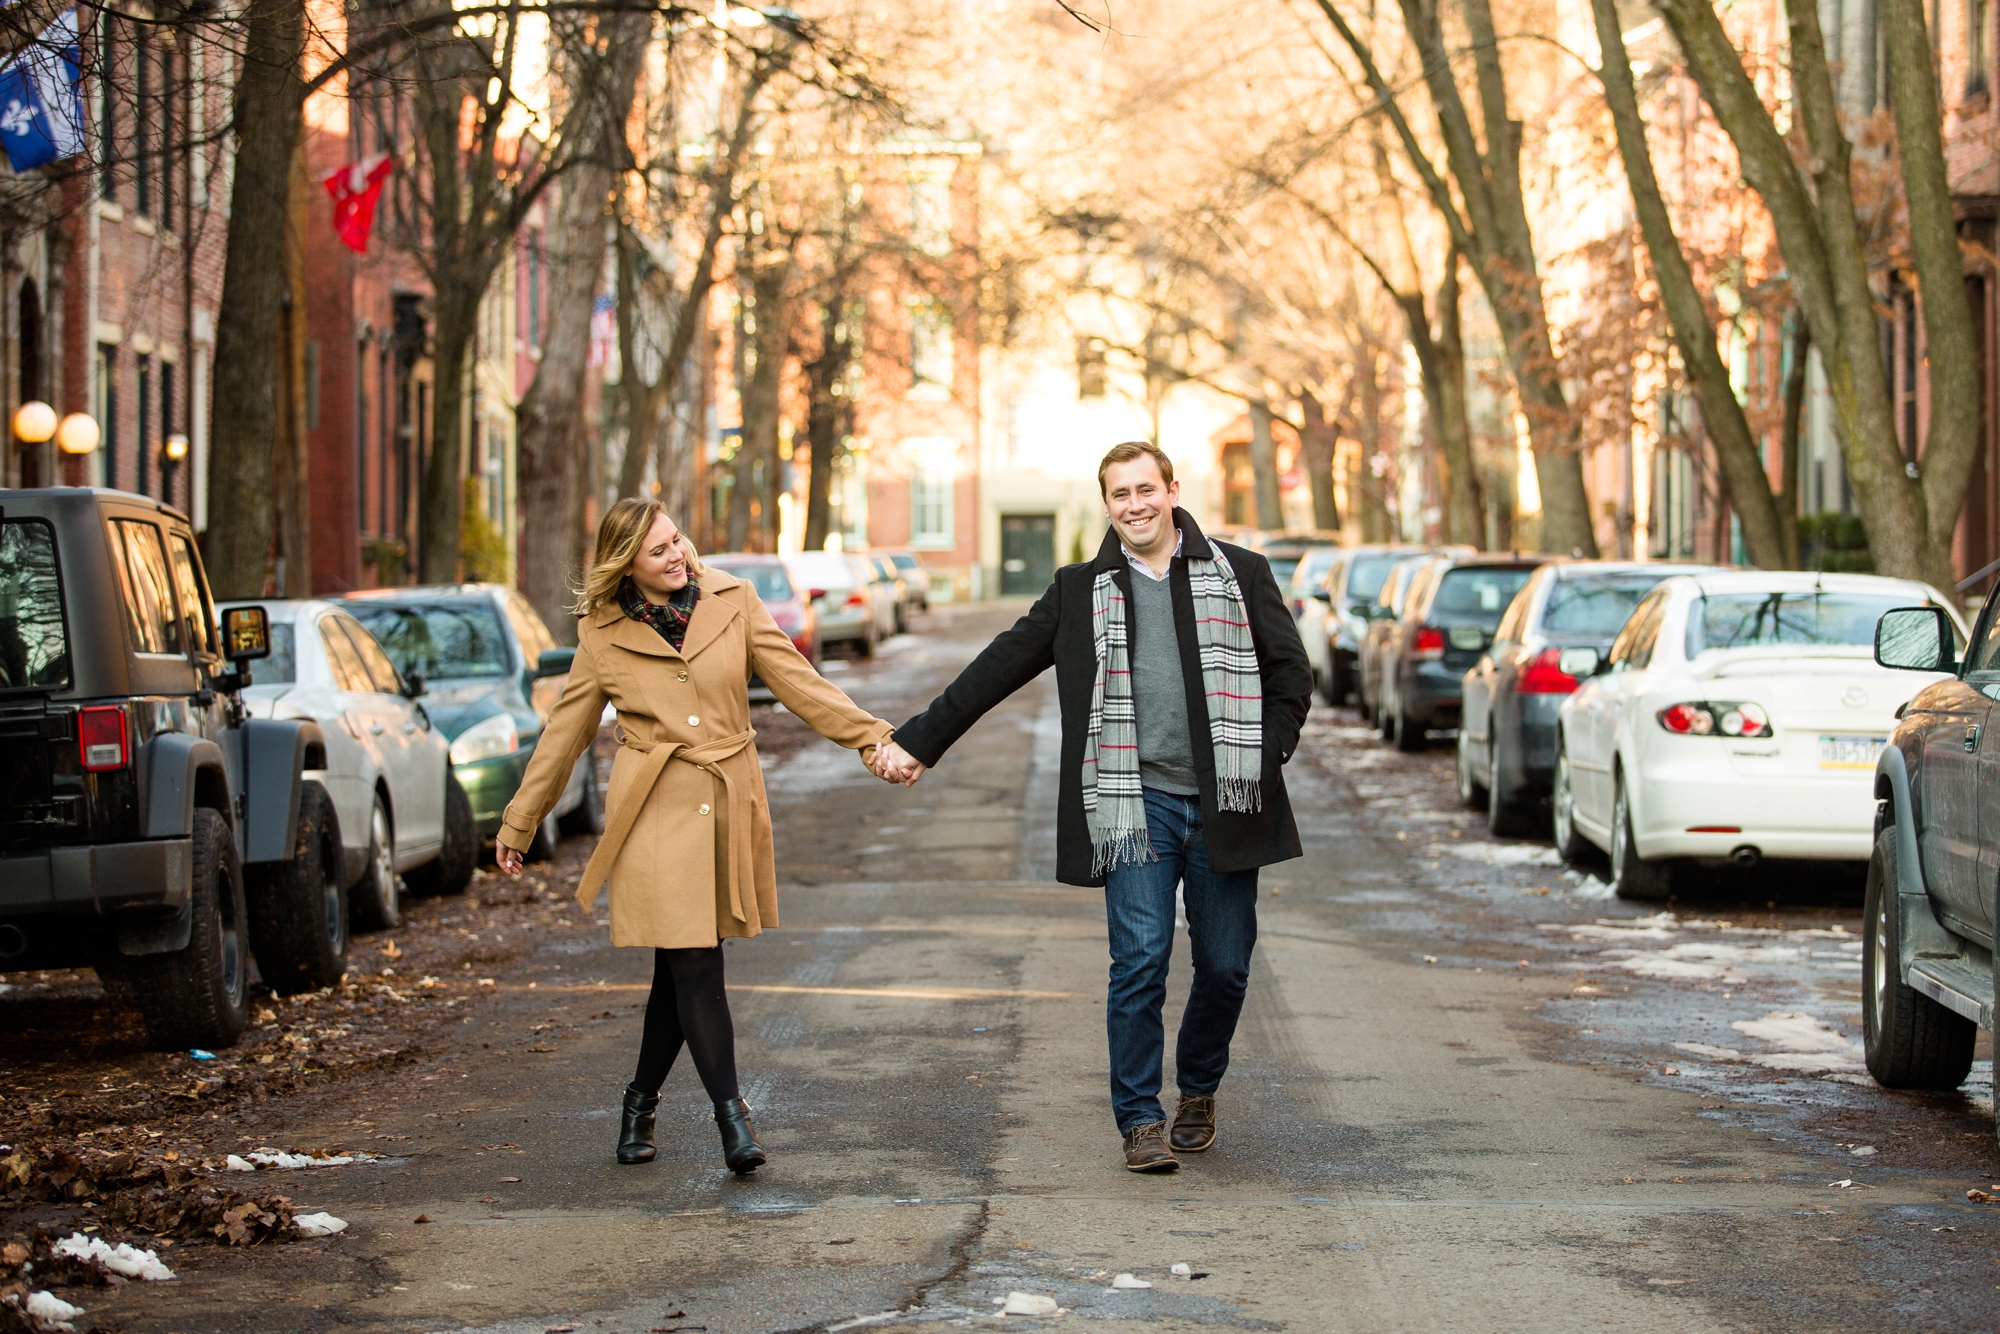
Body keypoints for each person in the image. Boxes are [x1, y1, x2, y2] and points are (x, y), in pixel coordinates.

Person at [873, 442, 1312, 1173]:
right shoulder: (1081, 590)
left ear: (1173, 490)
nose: (1135, 505)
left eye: (1147, 489)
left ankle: (1198, 1089)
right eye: (1119, 494)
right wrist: (921, 740)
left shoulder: (1241, 573)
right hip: (1131, 802)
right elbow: (1000, 664)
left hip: (1227, 803)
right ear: (1105, 504)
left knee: (1227, 965)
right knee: (1139, 958)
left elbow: (1290, 676)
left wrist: (1264, 757)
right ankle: (1139, 1120)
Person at [495, 497, 903, 1174]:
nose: (676, 555)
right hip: (653, 803)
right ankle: (732, 1120)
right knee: (694, 963)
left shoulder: (734, 600)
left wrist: (873, 738)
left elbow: (798, 683)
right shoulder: (602, 631)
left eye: (676, 540)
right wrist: (521, 818)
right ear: (627, 564)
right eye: (658, 551)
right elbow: (564, 733)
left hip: (725, 795)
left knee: (679, 972)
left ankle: (639, 1102)